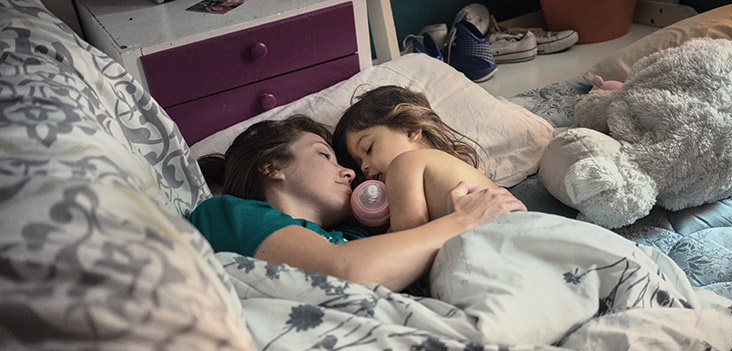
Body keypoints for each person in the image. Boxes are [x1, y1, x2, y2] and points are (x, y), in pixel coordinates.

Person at [188, 115, 526, 292]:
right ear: (272, 167)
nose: (349, 173)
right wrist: (463, 221)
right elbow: (344, 274)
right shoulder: (225, 212)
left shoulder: (357, 237)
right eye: (325, 156)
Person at [332, 85, 521, 232]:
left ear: (411, 129)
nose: (364, 167)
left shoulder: (404, 164)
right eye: (358, 164)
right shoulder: (440, 165)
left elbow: (408, 243)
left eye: (368, 148)